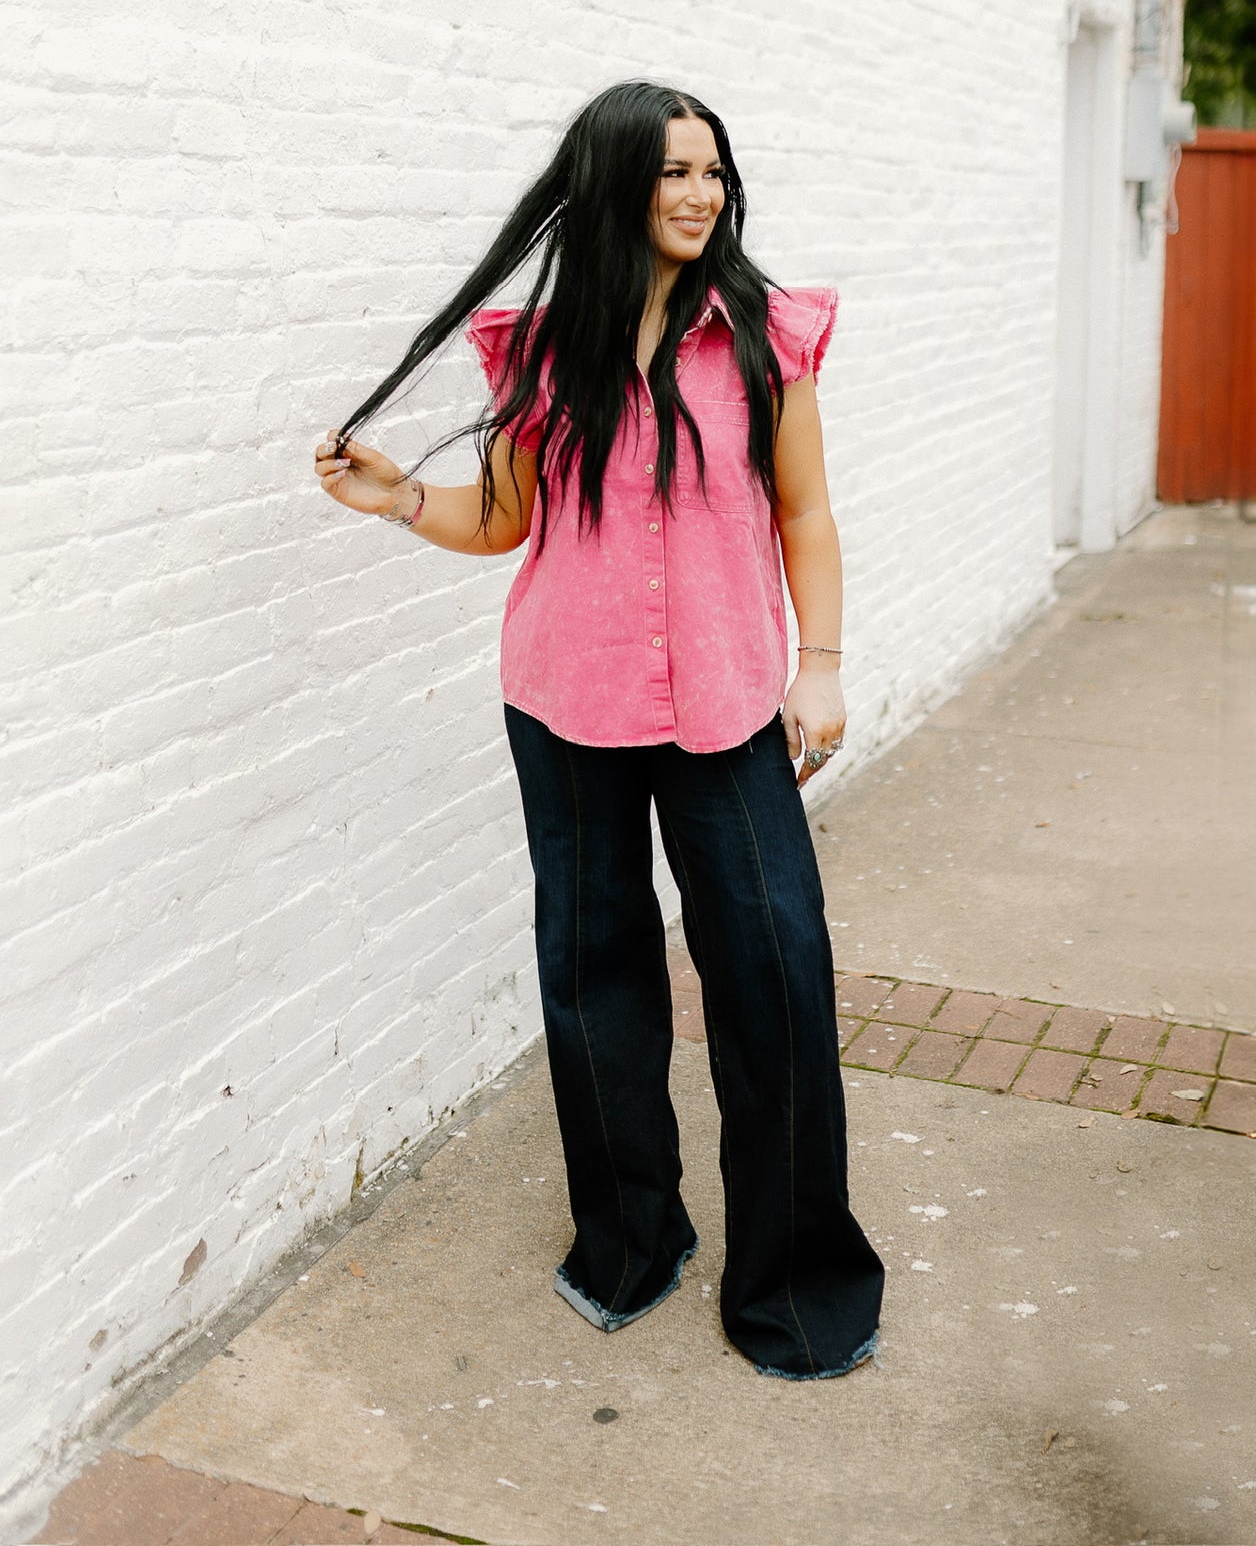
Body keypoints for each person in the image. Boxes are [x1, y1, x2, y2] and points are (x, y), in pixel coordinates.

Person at [313, 80, 884, 1380]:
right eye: (673, 171)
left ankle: (796, 1287)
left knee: (776, 978)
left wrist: (824, 665)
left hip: (731, 704)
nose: (700, 194)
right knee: (595, 974)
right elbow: (505, 522)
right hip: (565, 703)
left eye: (714, 173)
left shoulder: (761, 334)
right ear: (613, 183)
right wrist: (400, 498)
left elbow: (805, 514)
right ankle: (630, 1237)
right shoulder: (538, 350)